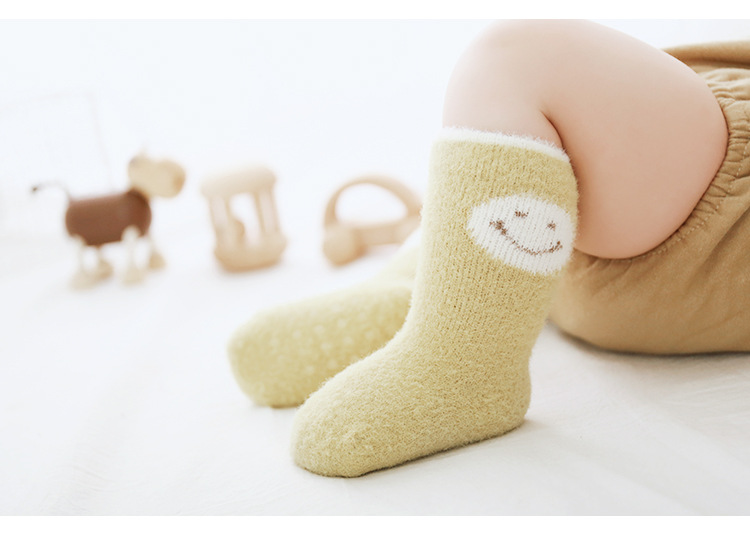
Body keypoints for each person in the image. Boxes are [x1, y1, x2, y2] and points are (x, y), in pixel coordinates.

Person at [228, 20, 750, 477]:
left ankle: (463, 359)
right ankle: (429, 298)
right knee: (514, 160)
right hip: (576, 243)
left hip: (697, 219)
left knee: (522, 60)